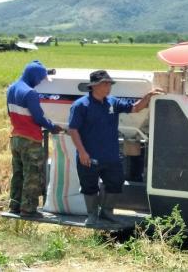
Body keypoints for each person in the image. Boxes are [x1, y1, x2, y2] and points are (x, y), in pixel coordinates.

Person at [68, 70, 163, 225]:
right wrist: (82, 152)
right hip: (89, 156)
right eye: (105, 83)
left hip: (111, 155)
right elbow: (73, 130)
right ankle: (92, 214)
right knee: (89, 186)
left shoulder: (112, 102)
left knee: (115, 183)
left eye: (110, 83)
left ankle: (106, 212)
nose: (109, 86)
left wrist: (148, 97)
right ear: (94, 86)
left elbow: (134, 108)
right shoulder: (80, 106)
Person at [7, 60, 62, 217]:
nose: (39, 82)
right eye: (40, 78)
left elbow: (9, 113)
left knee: (18, 173)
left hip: (16, 137)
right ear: (34, 76)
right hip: (30, 139)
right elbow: (38, 118)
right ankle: (28, 209)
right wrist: (52, 127)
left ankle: (15, 206)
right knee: (33, 173)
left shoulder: (11, 88)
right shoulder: (30, 93)